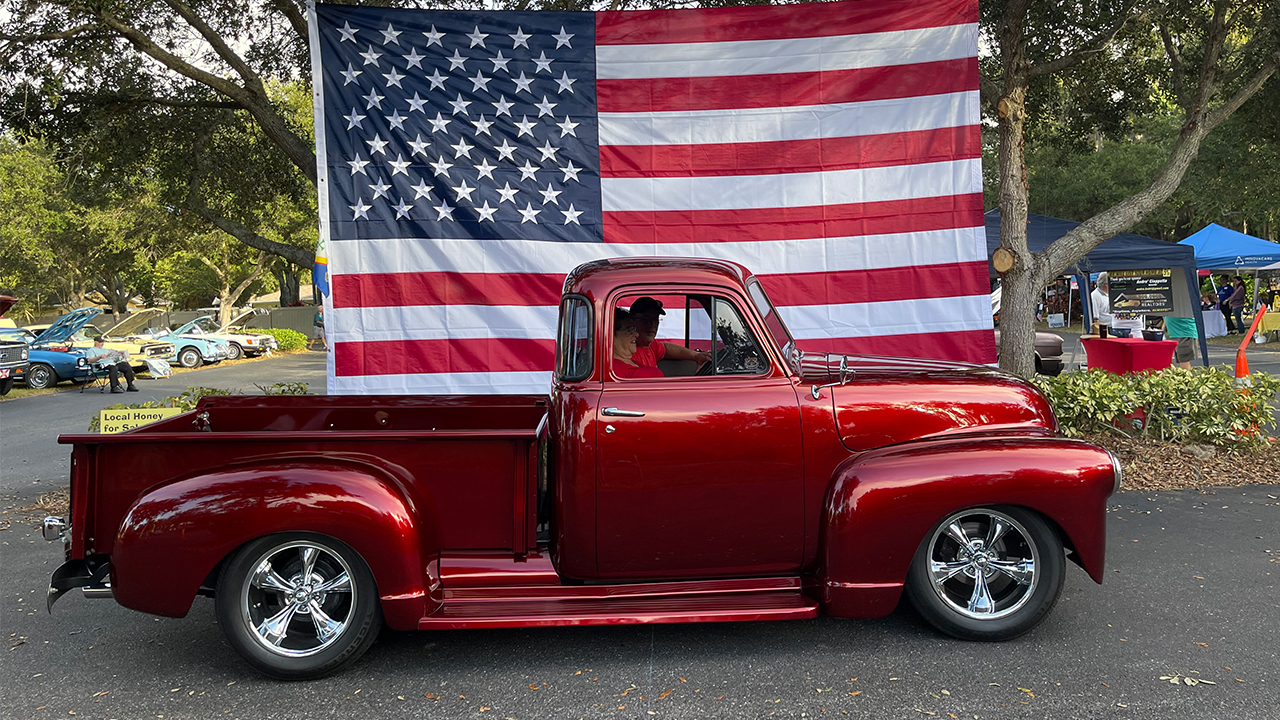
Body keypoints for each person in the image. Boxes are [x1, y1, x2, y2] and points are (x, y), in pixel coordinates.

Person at [627, 297, 712, 371]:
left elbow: (666, 348)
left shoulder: (650, 346)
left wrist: (696, 356)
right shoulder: (627, 353)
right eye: (646, 319)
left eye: (655, 319)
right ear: (632, 321)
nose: (652, 324)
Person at [612, 310, 662, 379]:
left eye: (634, 329)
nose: (637, 334)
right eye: (629, 330)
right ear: (611, 336)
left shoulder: (633, 363)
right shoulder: (613, 370)